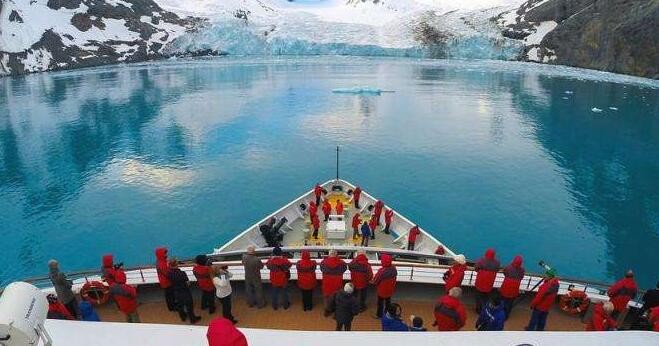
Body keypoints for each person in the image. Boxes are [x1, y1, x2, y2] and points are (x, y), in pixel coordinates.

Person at [168, 258, 201, 324]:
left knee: (180, 305)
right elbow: (188, 283)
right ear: (176, 264)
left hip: (176, 291)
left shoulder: (169, 273)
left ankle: (183, 317)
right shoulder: (182, 273)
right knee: (189, 305)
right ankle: (192, 319)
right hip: (185, 291)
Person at [473, 248, 501, 313]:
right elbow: (497, 270)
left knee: (478, 296)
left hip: (480, 281)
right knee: (486, 297)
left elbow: (476, 268)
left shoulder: (481, 260)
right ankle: (485, 309)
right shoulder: (497, 263)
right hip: (489, 283)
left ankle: (478, 310)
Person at [320, 249, 347, 314]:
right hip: (337, 281)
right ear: (336, 254)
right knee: (337, 296)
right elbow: (344, 269)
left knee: (327, 296)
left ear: (329, 254)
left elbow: (322, 269)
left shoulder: (323, 262)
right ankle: (336, 310)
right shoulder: (342, 262)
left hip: (327, 281)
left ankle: (327, 310)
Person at [372, 254, 397, 318]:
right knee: (388, 302)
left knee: (380, 303)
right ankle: (387, 314)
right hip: (390, 290)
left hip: (382, 291)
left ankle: (379, 315)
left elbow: (375, 280)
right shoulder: (394, 269)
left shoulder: (382, 271)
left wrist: (374, 282)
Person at [155, 247, 176, 311]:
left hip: (164, 281)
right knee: (169, 295)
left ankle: (172, 305)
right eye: (165, 253)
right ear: (161, 254)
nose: (166, 254)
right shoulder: (162, 263)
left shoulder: (160, 261)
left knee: (169, 295)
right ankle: (172, 307)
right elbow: (167, 273)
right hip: (166, 282)